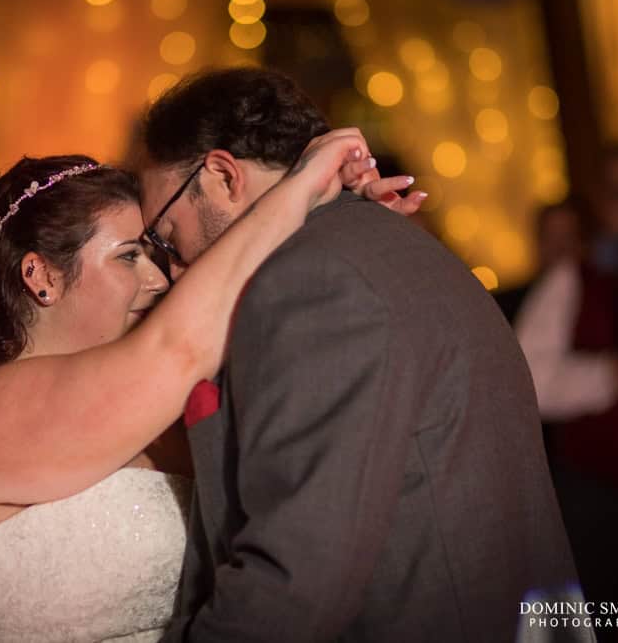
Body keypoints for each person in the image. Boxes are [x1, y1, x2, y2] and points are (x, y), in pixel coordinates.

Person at [0, 127, 420, 640]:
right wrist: (300, 191)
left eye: (154, 254)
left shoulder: (159, 403)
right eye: (129, 256)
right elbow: (181, 343)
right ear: (42, 277)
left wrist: (335, 234)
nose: (159, 278)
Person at [135, 68, 587, 642]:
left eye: (168, 237)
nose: (172, 271)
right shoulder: (392, 244)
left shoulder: (309, 281)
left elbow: (296, 579)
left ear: (223, 176)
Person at [515, 142, 618, 642]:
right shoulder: (571, 279)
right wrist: (608, 379)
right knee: (591, 623)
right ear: (601, 201)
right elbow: (526, 381)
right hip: (593, 501)